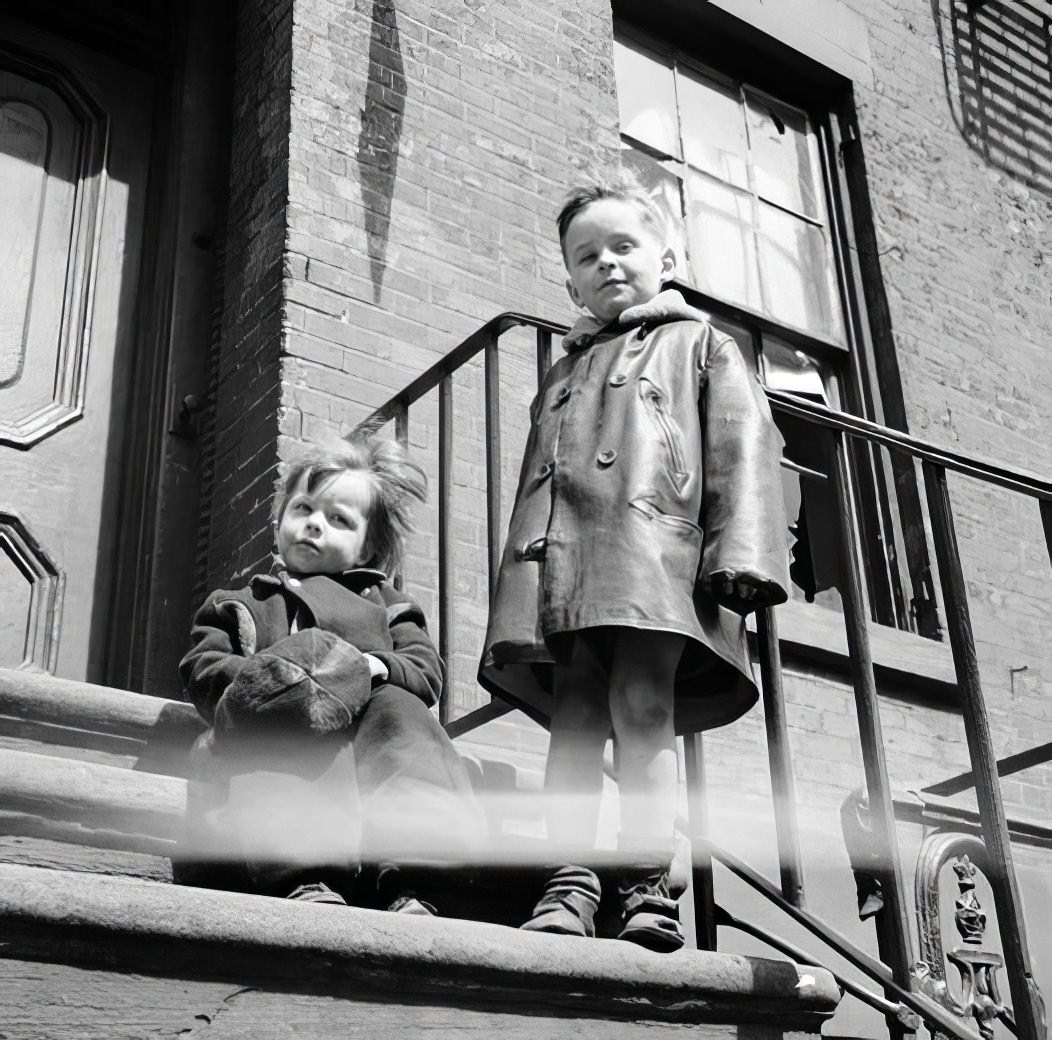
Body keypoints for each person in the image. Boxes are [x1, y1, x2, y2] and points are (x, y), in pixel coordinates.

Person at [479, 174, 790, 951]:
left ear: (667, 256)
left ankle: (648, 885)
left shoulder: (701, 342)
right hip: (570, 569)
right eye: (588, 256)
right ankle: (569, 881)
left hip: (656, 558)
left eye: (625, 246)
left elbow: (744, 447)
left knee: (644, 709)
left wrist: (741, 551)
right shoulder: (563, 369)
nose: (608, 264)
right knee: (576, 716)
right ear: (570, 279)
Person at [179, 434, 486, 914]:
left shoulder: (390, 608)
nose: (314, 525)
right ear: (281, 519)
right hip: (274, 743)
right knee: (285, 718)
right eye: (304, 509)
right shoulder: (240, 603)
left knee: (403, 711)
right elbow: (204, 668)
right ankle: (306, 876)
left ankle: (415, 876)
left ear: (368, 548)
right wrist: (272, 681)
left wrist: (371, 668)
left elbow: (425, 671)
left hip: (367, 734)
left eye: (338, 518)